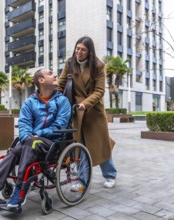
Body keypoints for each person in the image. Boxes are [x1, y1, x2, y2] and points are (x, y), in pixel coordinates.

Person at [0, 68, 71, 208]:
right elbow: (24, 124)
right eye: (50, 73)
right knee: (14, 151)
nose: (55, 75)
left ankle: (20, 188)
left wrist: (39, 134)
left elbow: (60, 126)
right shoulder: (30, 103)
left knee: (30, 143)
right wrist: (26, 136)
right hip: (32, 143)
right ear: (41, 80)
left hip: (52, 144)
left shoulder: (62, 101)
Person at [57, 36, 117, 190]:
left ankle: (110, 175)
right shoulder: (70, 63)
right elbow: (61, 84)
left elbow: (99, 91)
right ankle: (82, 181)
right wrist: (54, 102)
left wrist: (85, 103)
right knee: (81, 144)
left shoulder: (98, 66)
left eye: (83, 50)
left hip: (93, 110)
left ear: (90, 52)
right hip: (77, 111)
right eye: (77, 48)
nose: (79, 52)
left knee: (101, 143)